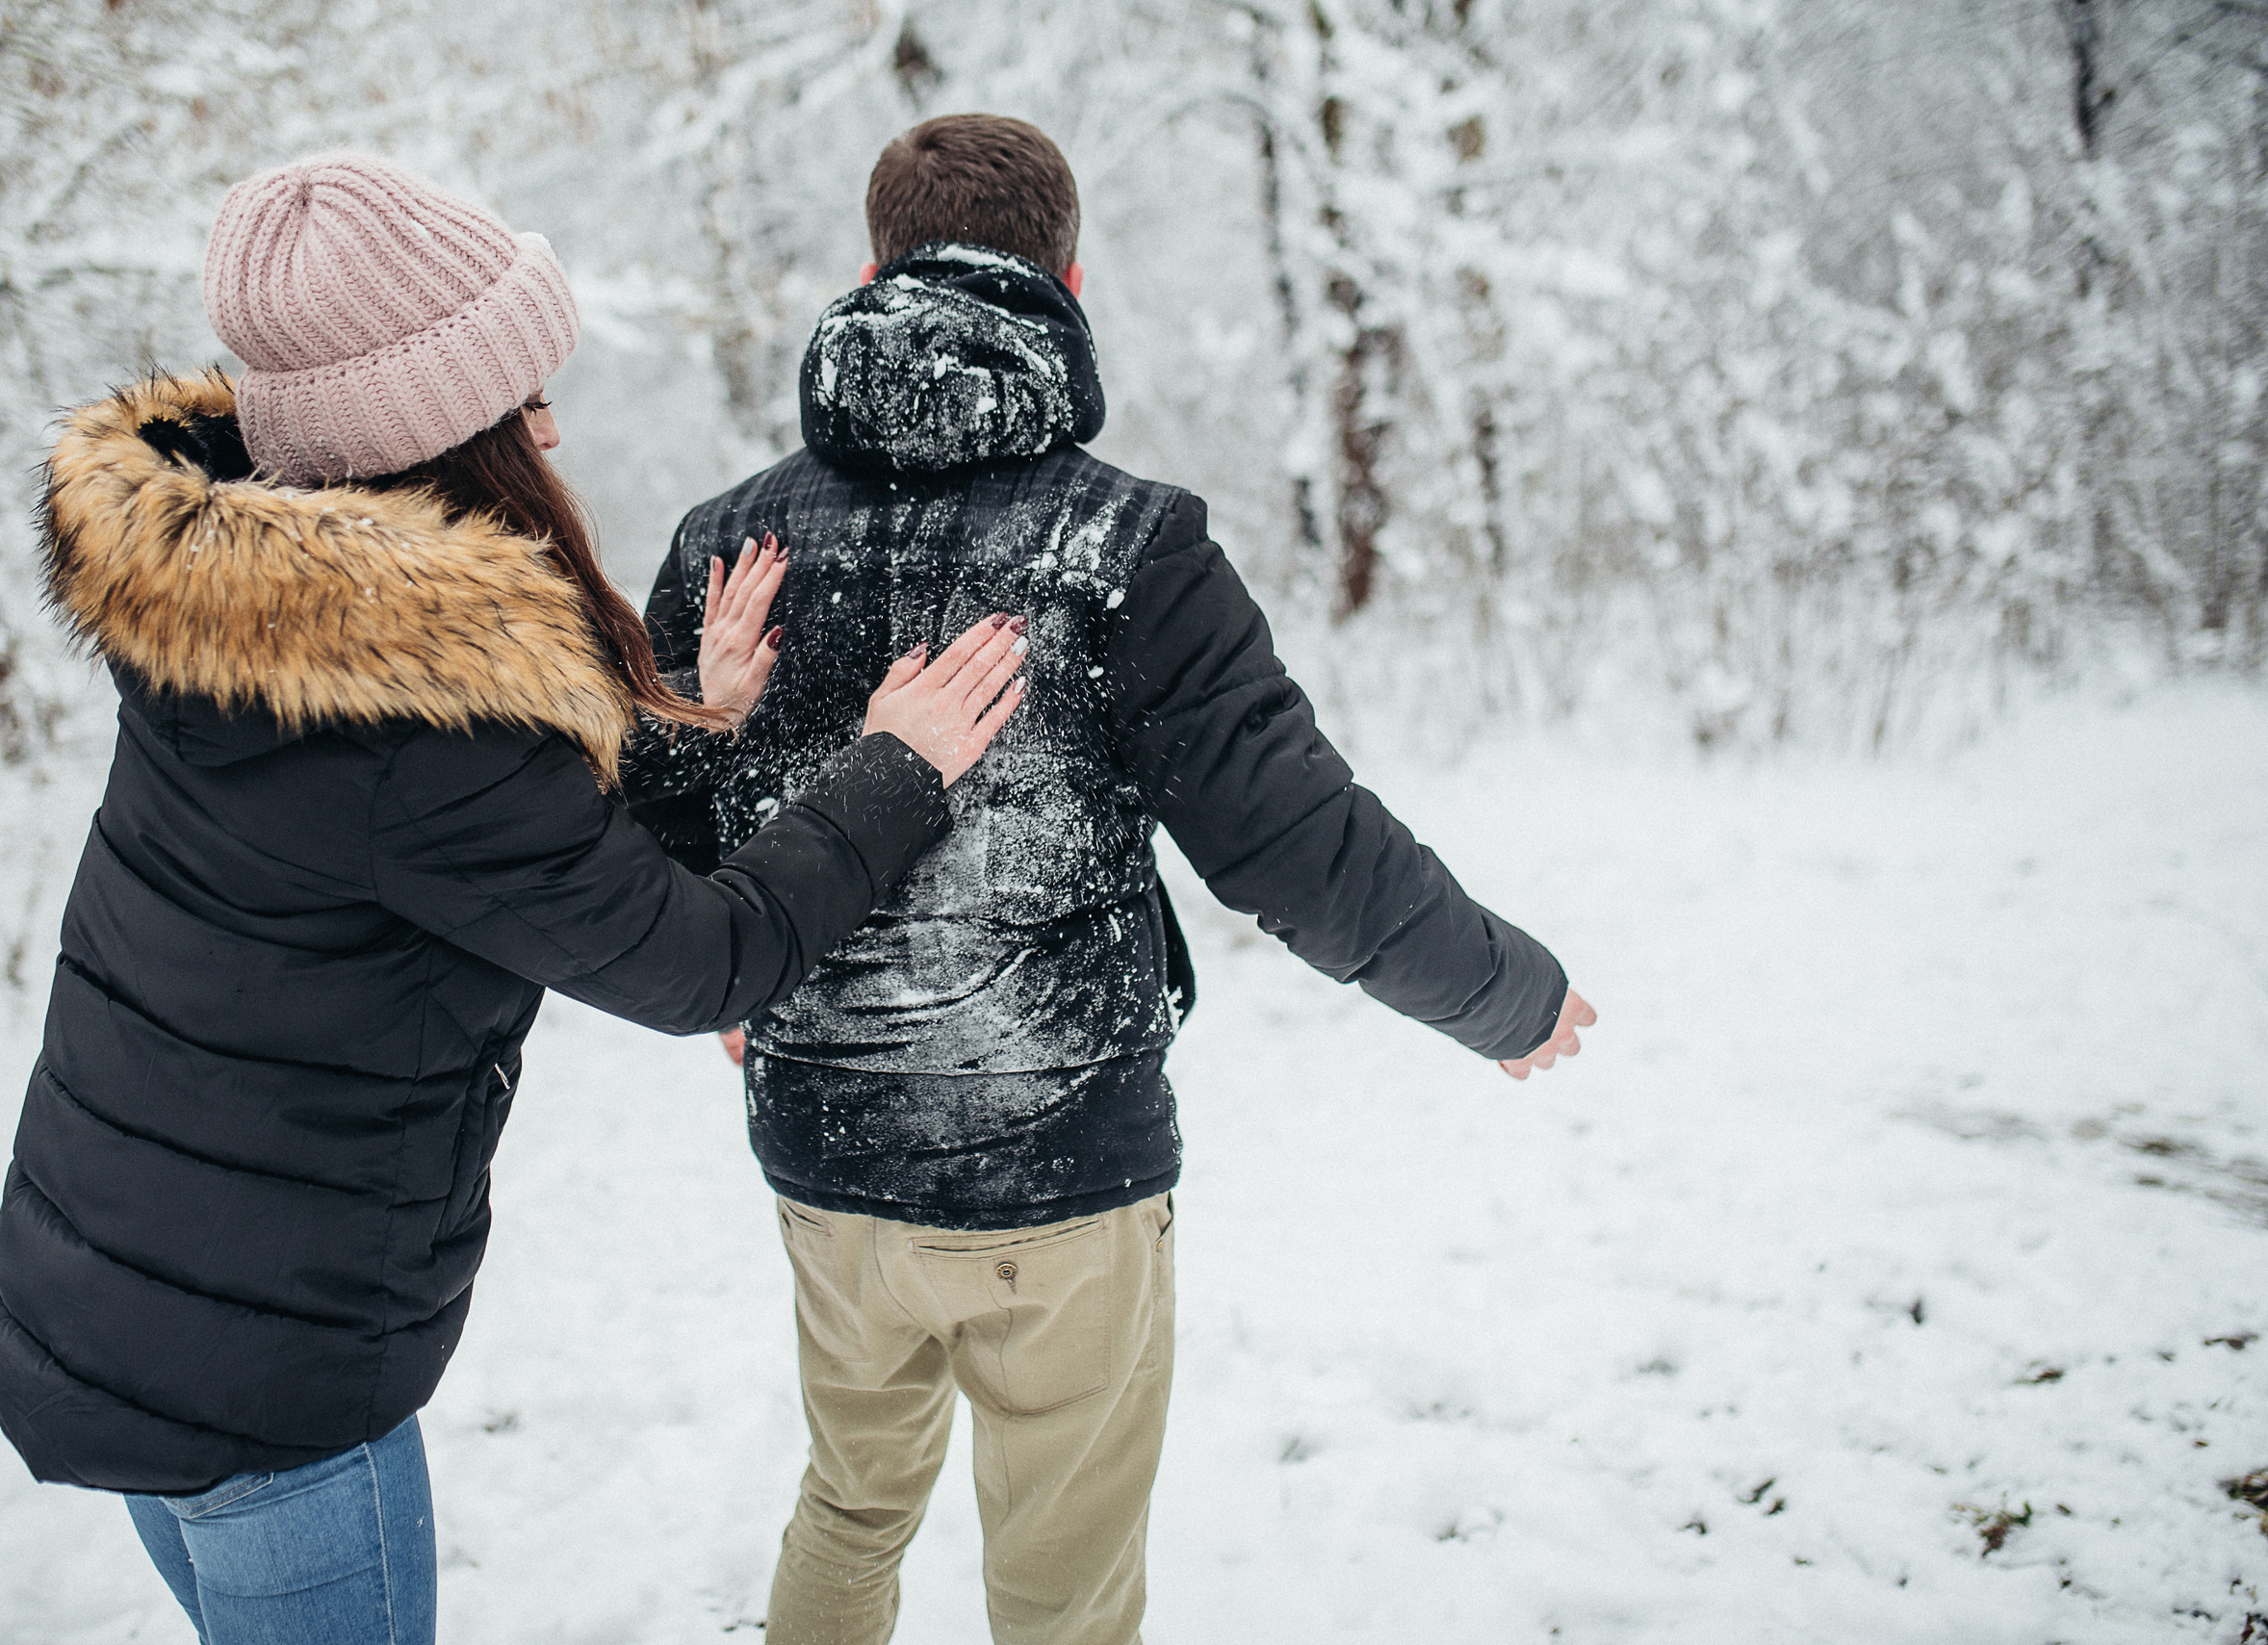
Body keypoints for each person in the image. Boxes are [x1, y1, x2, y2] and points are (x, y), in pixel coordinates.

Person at [0, 153, 1029, 1645]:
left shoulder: (241, 617)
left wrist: (692, 720)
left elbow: (465, 838)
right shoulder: (416, 732)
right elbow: (700, 961)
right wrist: (892, 770)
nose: (552, 425)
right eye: (524, 395)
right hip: (265, 1380)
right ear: (432, 431)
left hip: (123, 1294)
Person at [636, 115, 1598, 1645]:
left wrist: (729, 973)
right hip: (1063, 1172)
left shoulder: (726, 540)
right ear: (1068, 282)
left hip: (829, 1160)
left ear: (872, 273)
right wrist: (1506, 995)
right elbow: (1298, 844)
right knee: (1065, 1588)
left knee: (848, 1506)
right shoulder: (1131, 546)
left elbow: (650, 833)